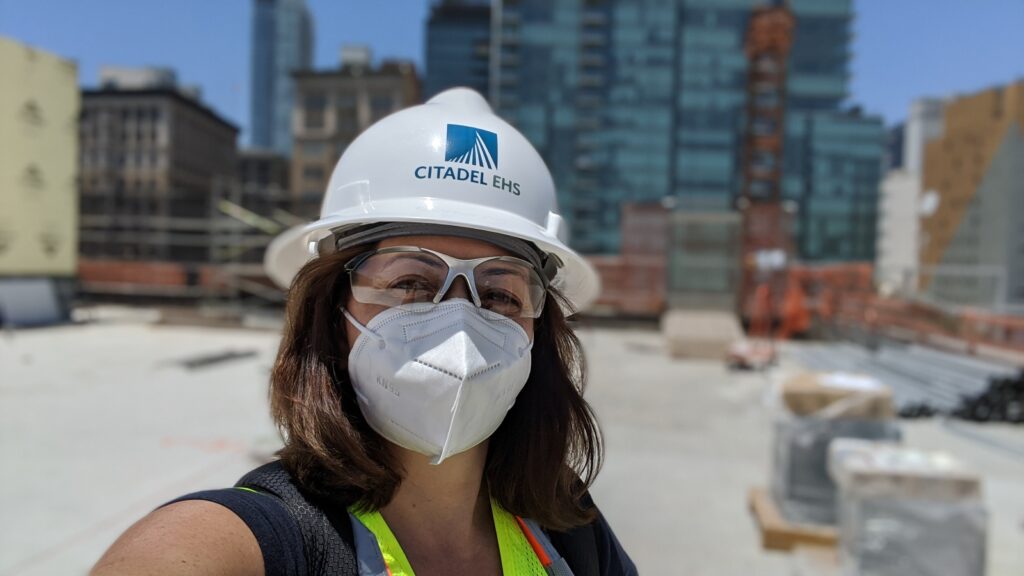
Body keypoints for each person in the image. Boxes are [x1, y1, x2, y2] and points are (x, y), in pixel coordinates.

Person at [91, 88, 637, 576]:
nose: (460, 320)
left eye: (499, 293)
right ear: (332, 313)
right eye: (411, 282)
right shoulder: (264, 543)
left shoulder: (568, 523)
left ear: (538, 333)